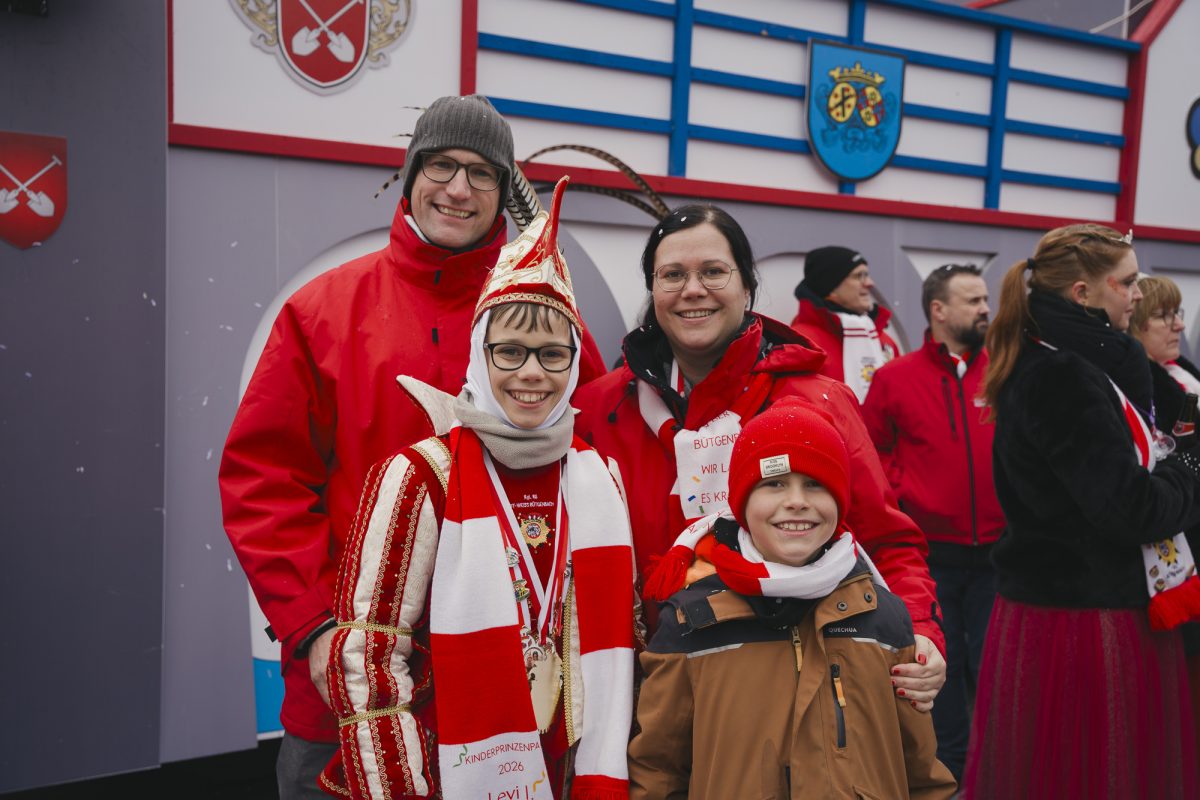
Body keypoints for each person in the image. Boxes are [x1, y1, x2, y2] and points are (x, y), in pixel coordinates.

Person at [218, 95, 604, 797]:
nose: (458, 189)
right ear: (410, 173)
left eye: (481, 173)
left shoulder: (547, 318)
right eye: (441, 165)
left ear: (502, 190)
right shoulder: (324, 312)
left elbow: (602, 459)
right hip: (354, 687)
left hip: (514, 689)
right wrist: (312, 630)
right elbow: (262, 480)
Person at [318, 178, 634, 800]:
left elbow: (632, 633)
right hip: (449, 770)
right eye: (509, 352)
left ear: (574, 365)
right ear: (477, 357)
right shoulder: (419, 477)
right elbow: (369, 659)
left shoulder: (600, 476)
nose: (531, 374)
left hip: (576, 770)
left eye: (551, 354)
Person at [573, 205, 948, 709]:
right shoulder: (601, 409)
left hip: (795, 697)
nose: (692, 289)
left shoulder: (817, 401)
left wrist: (921, 633)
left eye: (713, 271)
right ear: (653, 290)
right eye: (673, 275)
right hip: (641, 696)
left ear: (747, 286)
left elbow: (887, 540)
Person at [964, 224, 1200, 798]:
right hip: (1083, 621)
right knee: (1094, 775)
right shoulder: (1063, 374)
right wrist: (1189, 464)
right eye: (1128, 282)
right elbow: (1129, 509)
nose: (1139, 294)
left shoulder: (1074, 360)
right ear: (1083, 294)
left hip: (1080, 605)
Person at [627, 400, 957, 799]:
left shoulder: (883, 617)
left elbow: (921, 772)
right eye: (775, 483)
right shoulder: (693, 622)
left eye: (815, 484)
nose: (797, 501)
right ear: (742, 501)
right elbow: (658, 771)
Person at [861, 263, 1005, 784]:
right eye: (973, 300)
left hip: (998, 553)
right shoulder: (895, 378)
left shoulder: (1007, 370)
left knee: (993, 669)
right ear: (938, 310)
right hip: (929, 555)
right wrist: (907, 493)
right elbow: (872, 454)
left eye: (986, 299)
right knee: (940, 671)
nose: (986, 309)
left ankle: (995, 774)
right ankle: (947, 777)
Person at [1130, 274, 1200, 759]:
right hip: (1169, 545)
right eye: (1163, 316)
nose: (1177, 325)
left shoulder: (1183, 373)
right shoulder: (1138, 382)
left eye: (1177, 314)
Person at [791, 245, 901, 402]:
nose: (869, 283)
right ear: (831, 287)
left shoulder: (883, 340)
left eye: (867, 275)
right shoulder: (802, 342)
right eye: (858, 276)